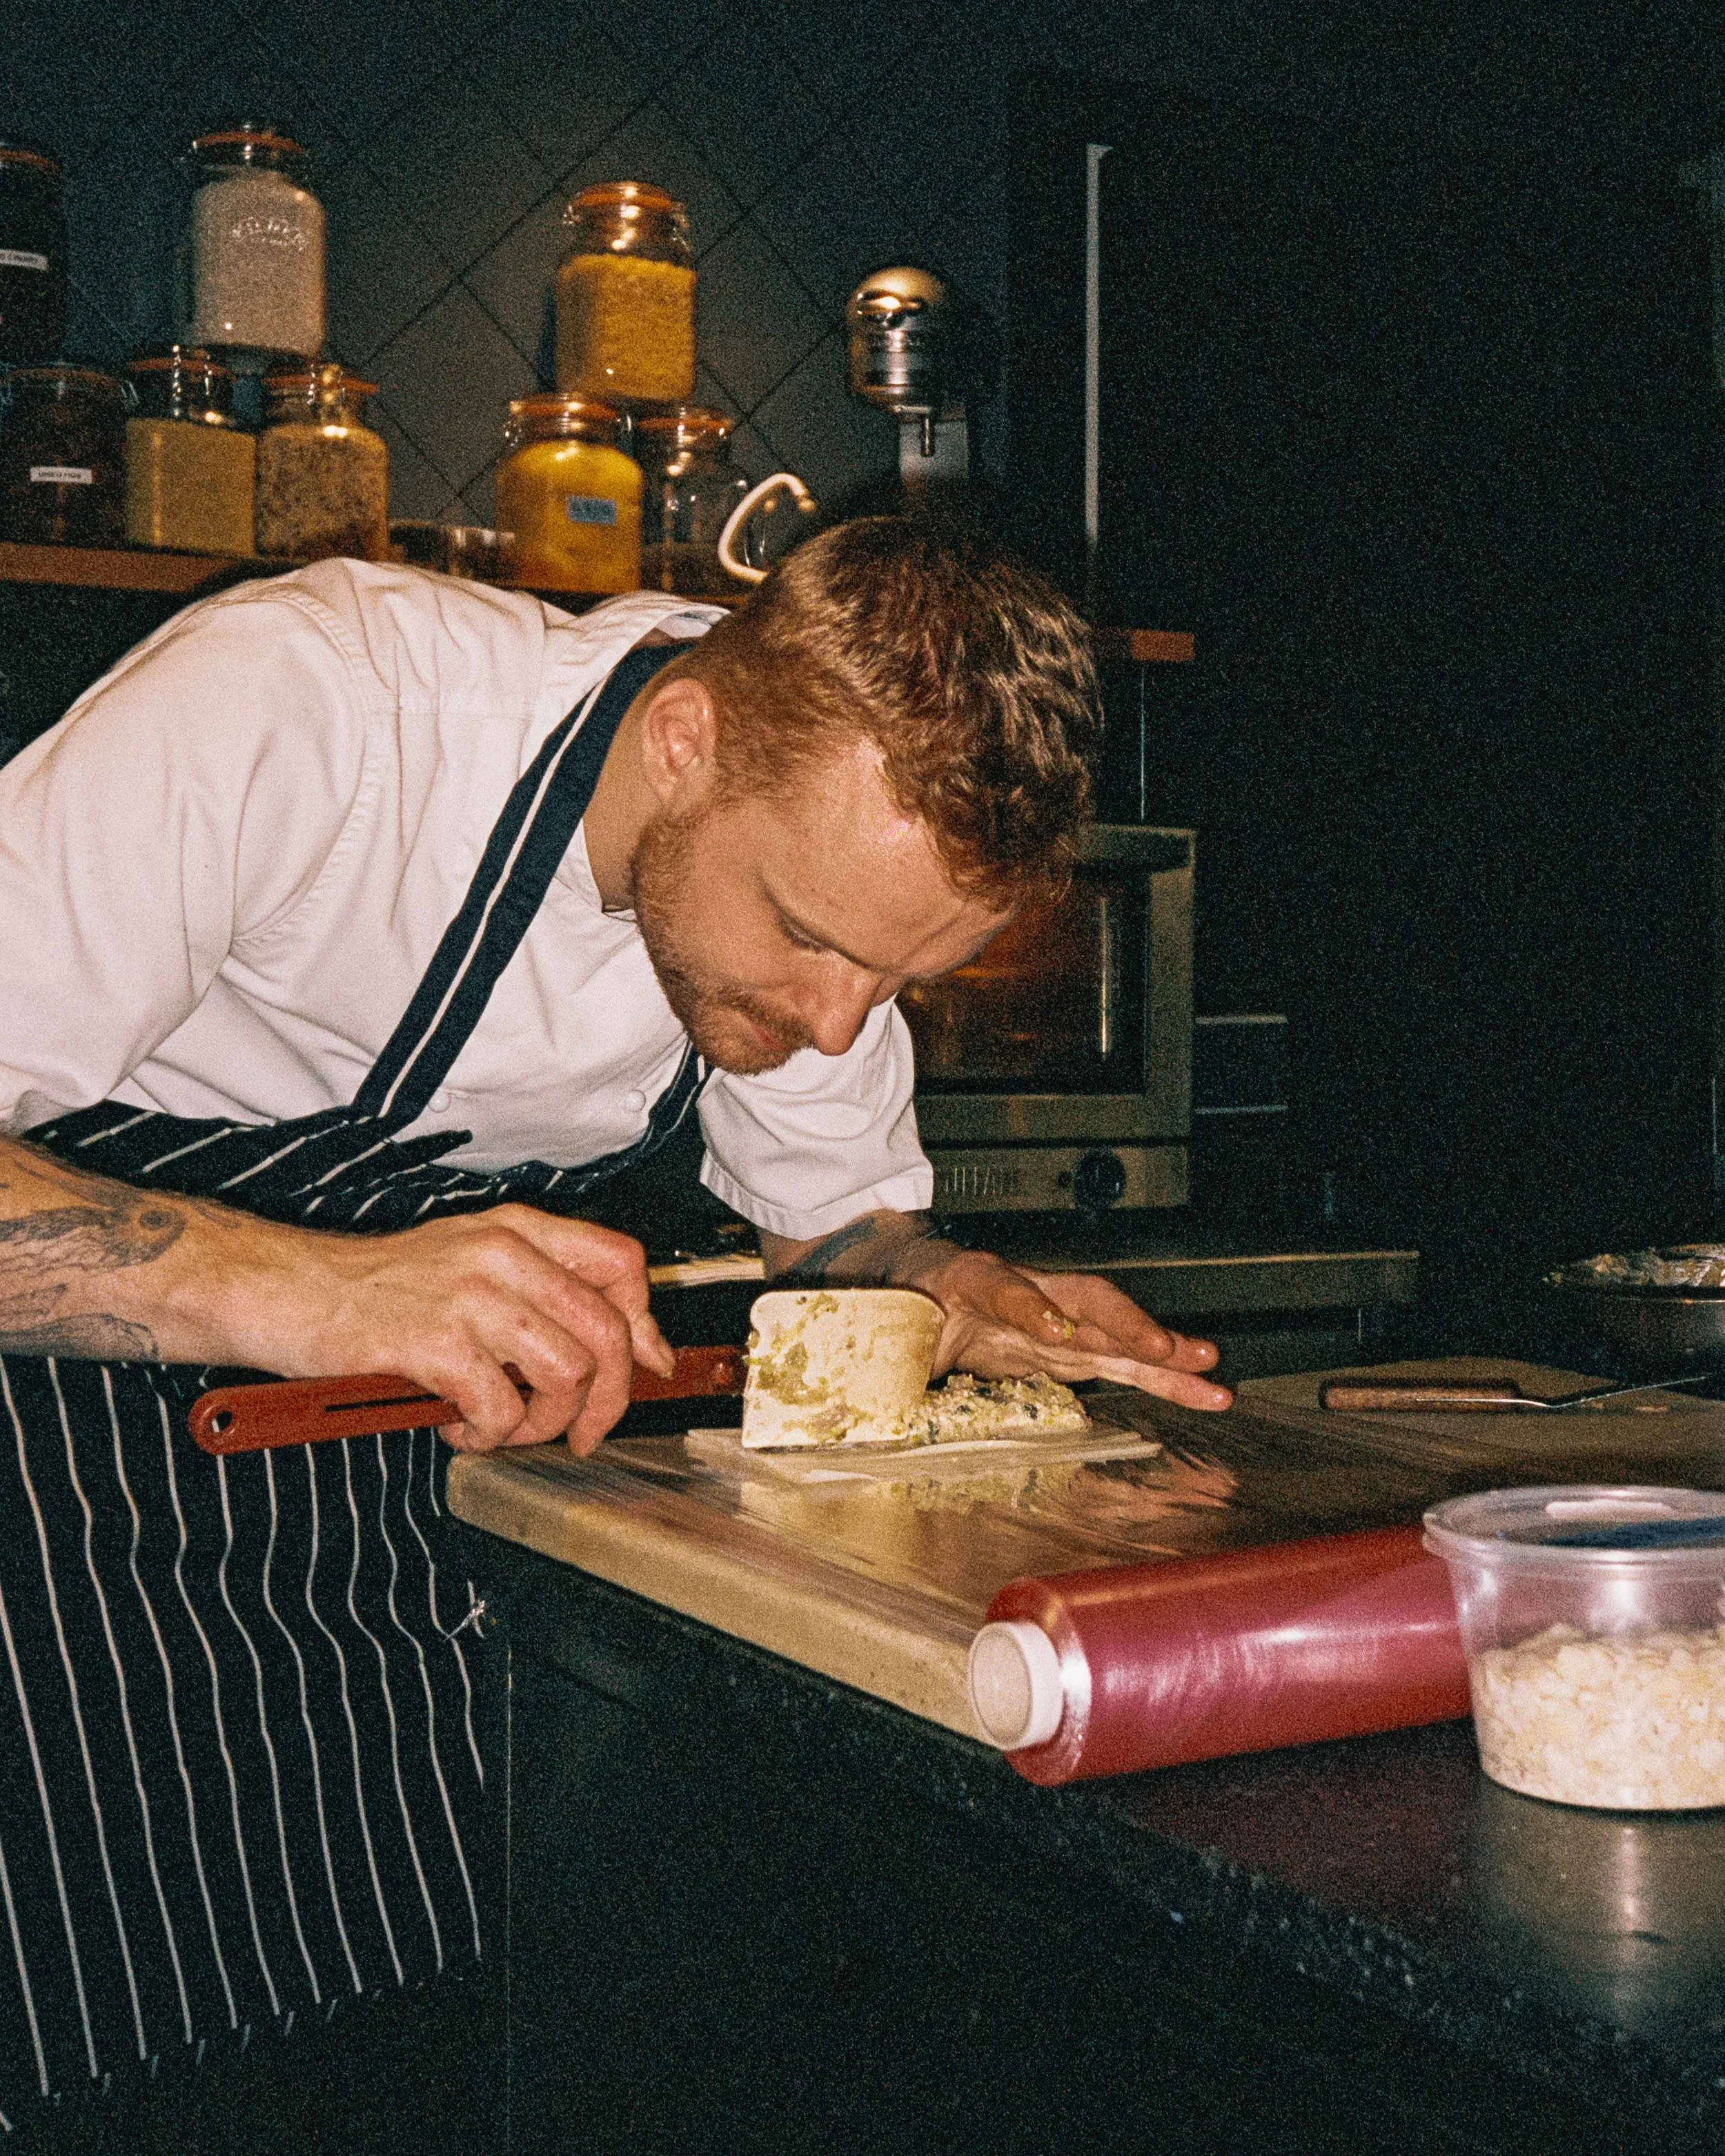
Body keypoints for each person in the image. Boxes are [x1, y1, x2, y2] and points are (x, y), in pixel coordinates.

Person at [0, 517, 1228, 2126]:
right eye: (805, 937)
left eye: (899, 983)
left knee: (458, 2043)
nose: (832, 1024)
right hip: (78, 1529)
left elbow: (842, 1225)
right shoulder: (310, 709)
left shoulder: (822, 891)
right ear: (685, 742)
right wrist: (310, 1284)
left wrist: (951, 1291)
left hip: (413, 1548)